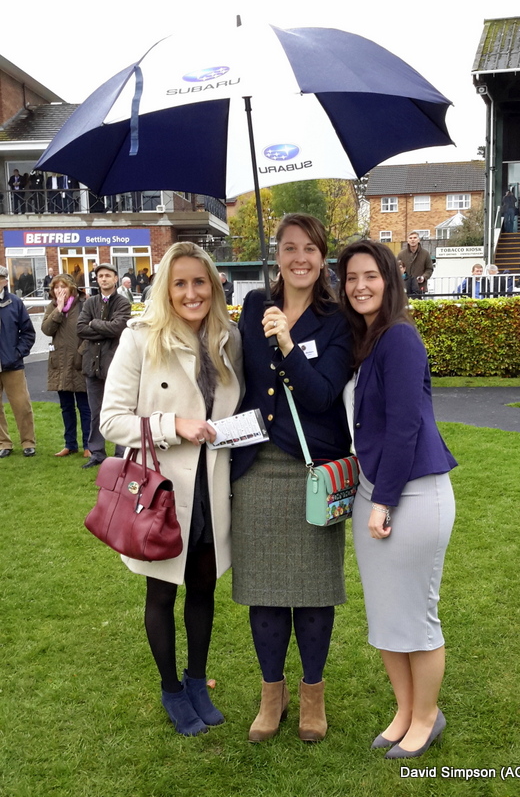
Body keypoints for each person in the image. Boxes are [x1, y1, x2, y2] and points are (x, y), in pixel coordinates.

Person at [100, 242, 243, 736]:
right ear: (165, 287)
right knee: (161, 592)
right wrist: (172, 425)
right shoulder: (140, 338)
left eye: (199, 282)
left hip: (213, 484)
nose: (190, 292)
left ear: (214, 286)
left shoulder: (229, 338)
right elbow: (112, 420)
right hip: (162, 489)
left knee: (203, 586)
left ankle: (197, 679)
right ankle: (171, 689)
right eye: (179, 283)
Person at [230, 214, 352, 743]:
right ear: (276, 254)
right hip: (257, 468)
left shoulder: (339, 319)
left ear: (324, 256)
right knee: (265, 592)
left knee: (314, 592)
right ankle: (270, 696)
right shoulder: (257, 305)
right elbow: (242, 379)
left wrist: (286, 345)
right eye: (288, 247)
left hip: (313, 470)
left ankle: (312, 697)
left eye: (310, 248)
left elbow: (324, 395)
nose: (299, 258)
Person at [337, 240, 457, 760]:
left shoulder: (401, 339)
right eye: (350, 278)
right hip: (375, 492)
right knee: (387, 616)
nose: (360, 285)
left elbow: (407, 425)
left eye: (371, 275)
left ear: (390, 280)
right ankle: (405, 711)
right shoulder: (368, 340)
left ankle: (428, 717)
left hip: (411, 494)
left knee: (416, 616)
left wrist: (384, 500)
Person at [77, 263, 131, 468]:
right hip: (92, 364)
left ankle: (120, 454)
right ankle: (97, 453)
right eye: (100, 276)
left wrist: (94, 324)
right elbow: (81, 329)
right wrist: (102, 328)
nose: (104, 279)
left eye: (108, 275)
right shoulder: (90, 303)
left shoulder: (122, 303)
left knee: (119, 409)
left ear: (115, 279)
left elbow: (119, 328)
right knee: (95, 411)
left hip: (115, 365)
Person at [41, 274, 91, 457]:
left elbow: (91, 332)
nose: (59, 290)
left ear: (71, 288)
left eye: (63, 287)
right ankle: (70, 444)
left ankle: (88, 445)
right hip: (59, 363)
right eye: (56, 287)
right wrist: (59, 310)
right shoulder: (52, 307)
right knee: (66, 407)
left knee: (84, 407)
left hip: (78, 362)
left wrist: (81, 353)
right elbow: (47, 330)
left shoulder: (84, 305)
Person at [0, 265, 36, 458]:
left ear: (5, 281)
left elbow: (28, 333)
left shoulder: (15, 303)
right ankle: (4, 443)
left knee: (22, 405)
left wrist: (17, 354)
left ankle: (28, 442)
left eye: (0, 278)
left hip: (11, 364)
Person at [397, 232, 433, 298]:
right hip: (404, 288)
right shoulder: (401, 254)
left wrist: (424, 277)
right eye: (410, 238)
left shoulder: (425, 254)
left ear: (418, 240)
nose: (412, 240)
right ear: (407, 241)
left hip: (420, 287)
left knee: (419, 307)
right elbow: (396, 269)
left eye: (415, 238)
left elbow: (429, 269)